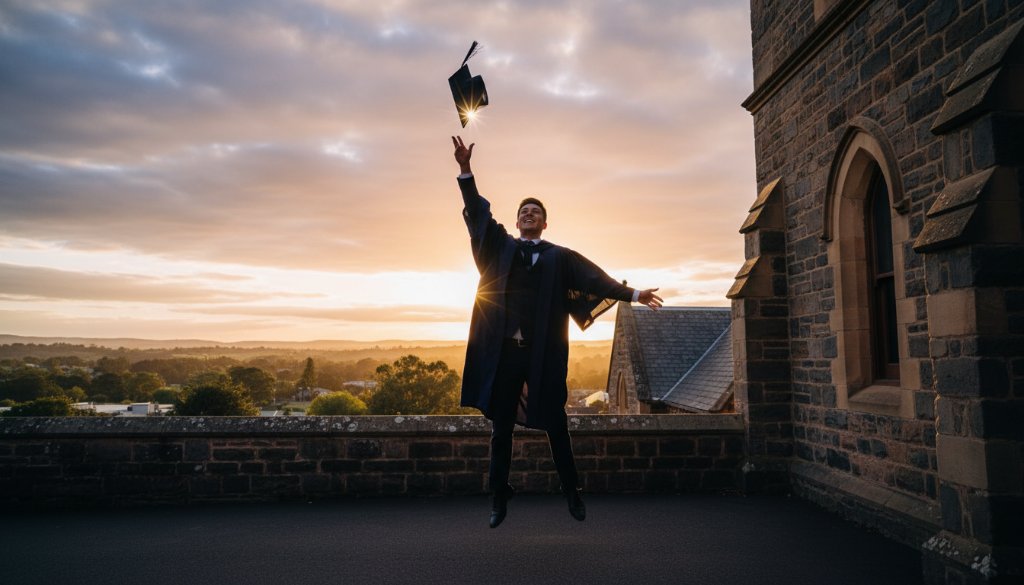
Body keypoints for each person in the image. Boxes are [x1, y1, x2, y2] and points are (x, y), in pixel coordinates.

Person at [451, 136, 663, 528]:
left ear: (545, 222)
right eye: (523, 211)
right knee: (501, 427)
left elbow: (597, 280)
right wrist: (466, 171)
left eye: (535, 211)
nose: (529, 214)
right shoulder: (499, 247)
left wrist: (633, 292)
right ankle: (499, 494)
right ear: (516, 222)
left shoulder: (560, 257)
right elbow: (477, 212)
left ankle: (571, 490)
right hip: (504, 353)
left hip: (542, 354)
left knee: (556, 424)